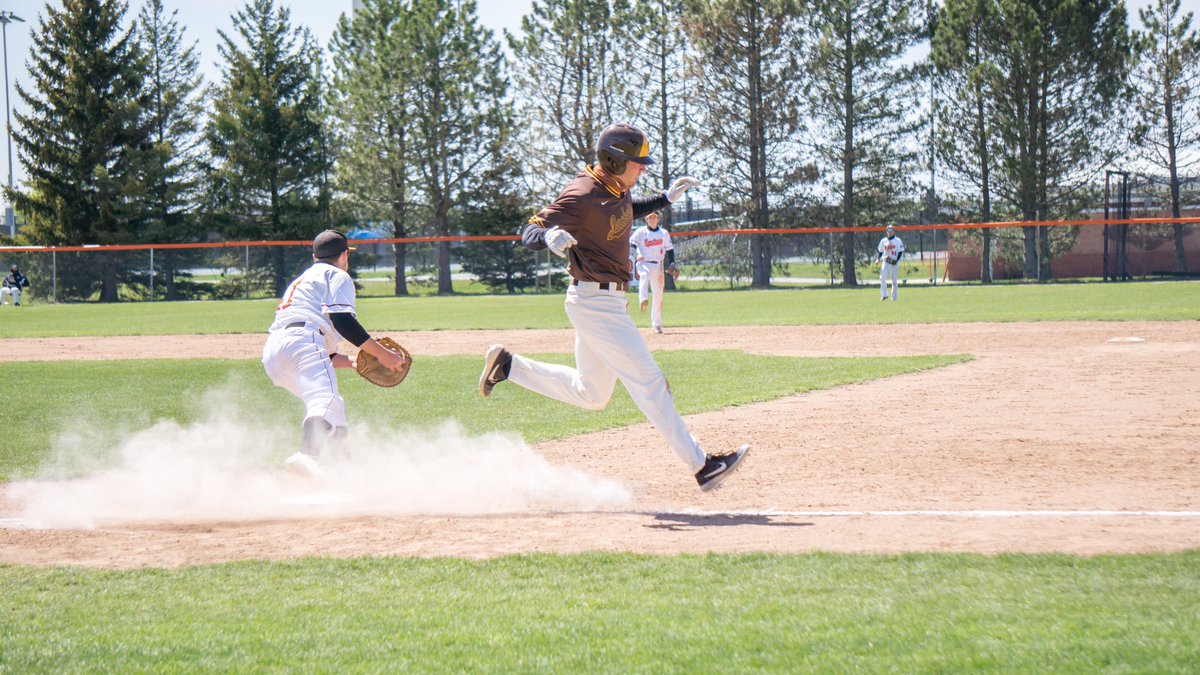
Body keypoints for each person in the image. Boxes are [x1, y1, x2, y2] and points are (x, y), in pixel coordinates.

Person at [477, 123, 749, 492]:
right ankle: (703, 466)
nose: (643, 169)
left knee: (591, 394)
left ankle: (509, 366)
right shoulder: (582, 193)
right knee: (650, 382)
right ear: (615, 161)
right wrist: (548, 235)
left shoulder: (616, 188)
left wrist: (665, 199)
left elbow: (623, 212)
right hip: (595, 303)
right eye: (638, 163)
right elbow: (530, 231)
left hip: (604, 302)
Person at [262, 229, 410, 478]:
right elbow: (342, 320)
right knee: (326, 401)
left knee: (333, 406)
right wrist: (382, 354)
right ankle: (307, 455)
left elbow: (319, 353)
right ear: (344, 255)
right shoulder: (337, 275)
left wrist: (352, 362)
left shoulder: (304, 280)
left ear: (314, 256)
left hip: (275, 352)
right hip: (305, 340)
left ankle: (345, 469)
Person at [629, 211, 678, 334]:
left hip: (658, 265)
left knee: (658, 295)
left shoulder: (663, 233)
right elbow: (632, 246)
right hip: (643, 262)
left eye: (654, 217)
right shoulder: (640, 232)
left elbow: (670, 250)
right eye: (650, 217)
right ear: (646, 220)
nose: (652, 219)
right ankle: (643, 298)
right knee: (644, 275)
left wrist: (672, 263)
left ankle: (656, 324)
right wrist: (636, 256)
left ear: (658, 219)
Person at [876, 225, 905, 301]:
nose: (890, 232)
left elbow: (900, 251)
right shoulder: (883, 241)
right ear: (886, 232)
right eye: (888, 231)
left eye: (891, 231)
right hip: (886, 261)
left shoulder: (897, 240)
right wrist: (878, 259)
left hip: (893, 262)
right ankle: (884, 295)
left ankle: (894, 297)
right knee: (882, 278)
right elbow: (880, 251)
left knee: (894, 280)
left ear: (894, 232)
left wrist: (896, 260)